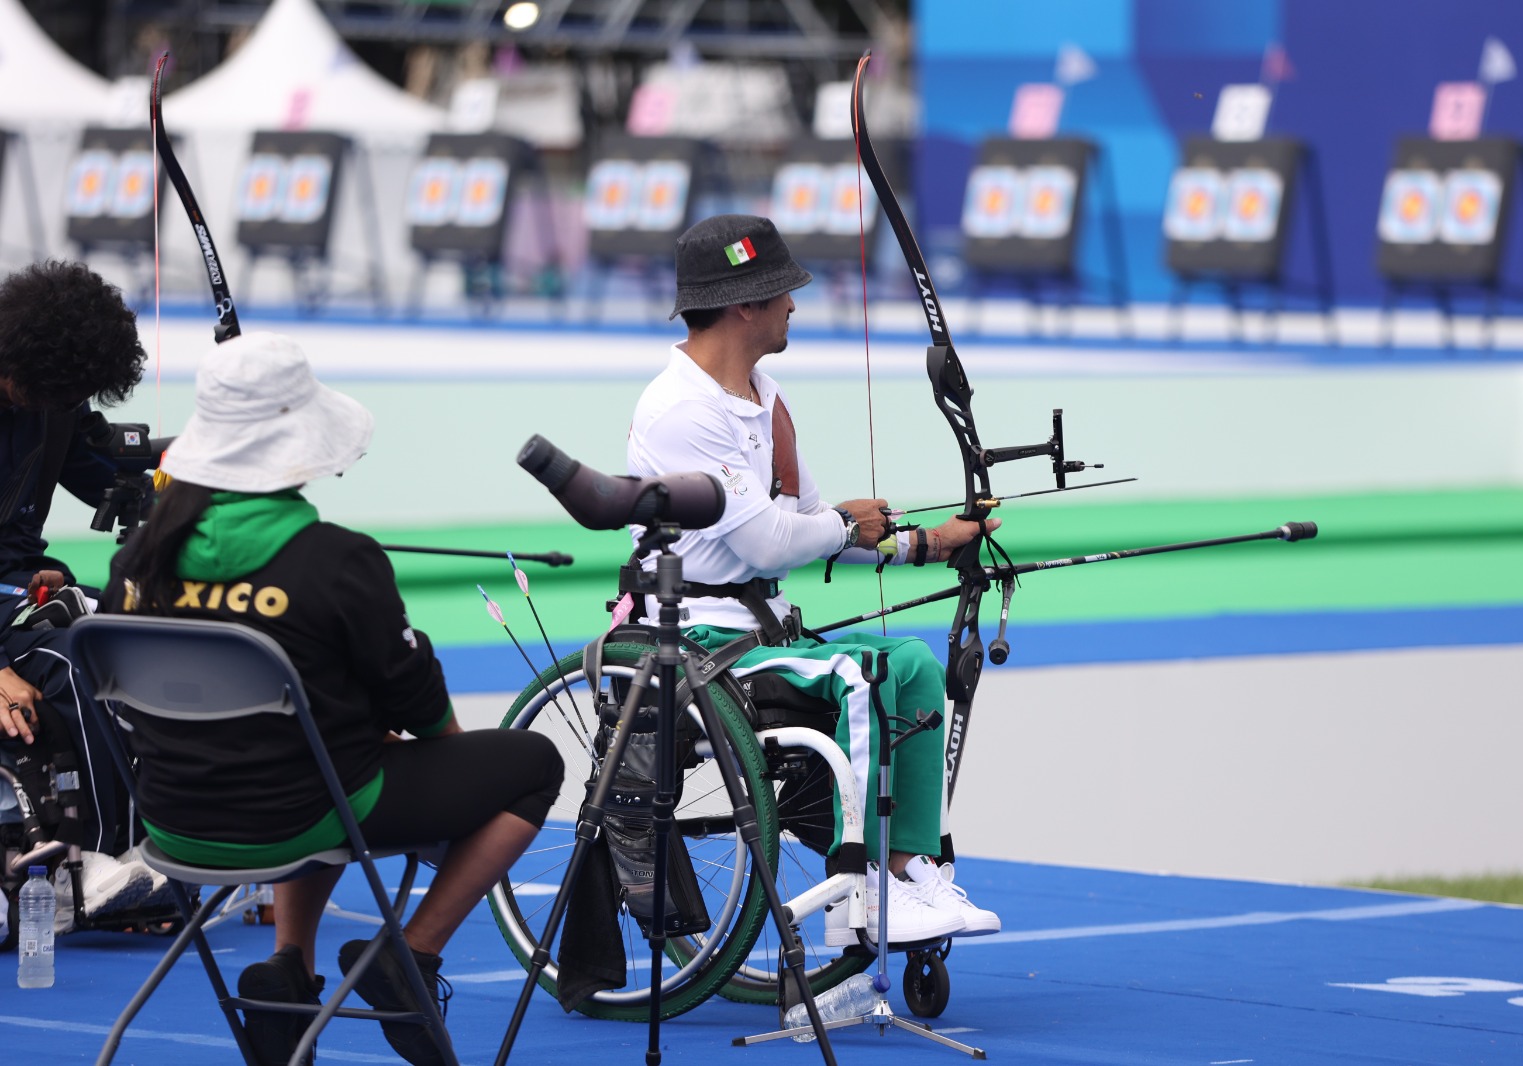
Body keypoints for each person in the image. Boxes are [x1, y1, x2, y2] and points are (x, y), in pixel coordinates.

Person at [108, 331, 565, 1066]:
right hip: (305, 812)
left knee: (328, 745)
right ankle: (411, 954)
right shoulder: (337, 560)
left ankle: (290, 962)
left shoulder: (138, 561)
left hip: (172, 823)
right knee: (534, 763)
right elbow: (416, 698)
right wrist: (445, 756)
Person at [625, 214, 1001, 945]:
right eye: (782, 291)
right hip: (697, 643)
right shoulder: (679, 410)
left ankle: (909, 868)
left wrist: (927, 544)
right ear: (745, 304)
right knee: (861, 676)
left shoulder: (765, 397)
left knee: (914, 665)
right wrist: (844, 526)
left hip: (759, 637)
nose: (794, 304)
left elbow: (809, 522)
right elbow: (772, 540)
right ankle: (860, 891)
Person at [0, 259, 160, 925]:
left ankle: (166, 845)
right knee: (75, 657)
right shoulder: (39, 378)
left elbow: (108, 478)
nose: (58, 404)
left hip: (20, 582)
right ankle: (93, 862)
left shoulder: (55, 397)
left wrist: (198, 479)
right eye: (51, 392)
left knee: (136, 628)